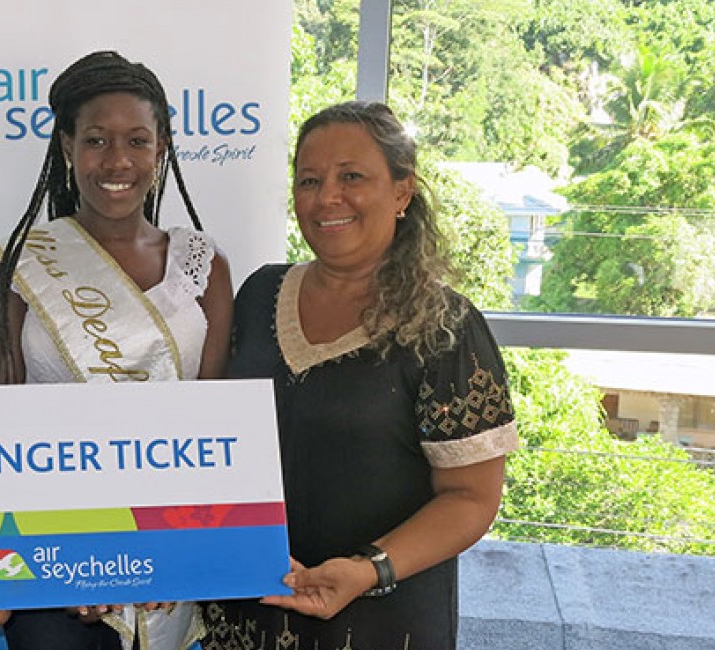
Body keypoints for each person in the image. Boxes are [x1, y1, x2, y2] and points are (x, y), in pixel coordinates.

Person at [203, 101, 520, 649]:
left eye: (352, 176)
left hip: (380, 621)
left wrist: (368, 568)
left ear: (402, 192)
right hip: (243, 617)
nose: (327, 197)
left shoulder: (446, 328)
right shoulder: (258, 295)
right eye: (309, 180)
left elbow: (472, 498)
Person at [0, 51, 234, 650]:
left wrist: (175, 553)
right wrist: (71, 562)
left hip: (170, 560)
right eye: (96, 140)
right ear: (66, 146)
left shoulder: (204, 266)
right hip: (54, 568)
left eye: (137, 140)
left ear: (162, 146)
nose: (117, 161)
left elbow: (218, 430)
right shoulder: (21, 267)